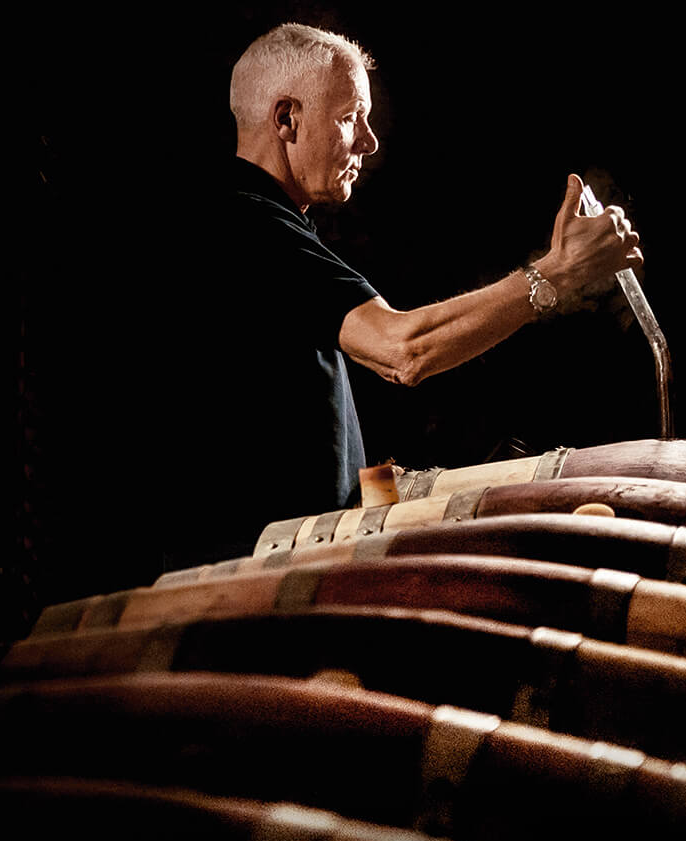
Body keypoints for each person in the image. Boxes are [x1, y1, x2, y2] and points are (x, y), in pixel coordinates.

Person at [165, 22, 642, 569]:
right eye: (349, 119)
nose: (368, 141)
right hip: (250, 581)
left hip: (300, 554)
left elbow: (318, 467)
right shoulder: (242, 224)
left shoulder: (273, 226)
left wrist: (429, 492)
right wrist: (555, 277)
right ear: (285, 119)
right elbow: (403, 350)